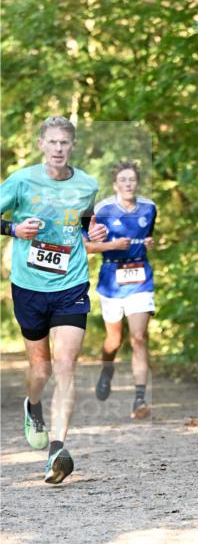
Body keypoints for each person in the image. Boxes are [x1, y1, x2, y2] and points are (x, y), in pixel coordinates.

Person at [0, 116, 107, 484]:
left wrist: (93, 228)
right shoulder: (21, 181)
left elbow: (83, 220)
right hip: (29, 286)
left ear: (72, 146)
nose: (59, 149)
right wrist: (13, 228)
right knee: (41, 370)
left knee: (65, 366)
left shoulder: (87, 184)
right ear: (42, 144)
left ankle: (56, 451)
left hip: (71, 283)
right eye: (53, 142)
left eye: (65, 143)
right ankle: (33, 406)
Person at [85, 161, 157, 419]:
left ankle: (139, 399)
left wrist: (149, 242)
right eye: (123, 180)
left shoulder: (149, 207)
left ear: (137, 183)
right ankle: (107, 369)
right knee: (113, 340)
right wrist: (112, 245)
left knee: (138, 338)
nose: (128, 184)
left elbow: (148, 236)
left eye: (132, 180)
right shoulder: (101, 209)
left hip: (140, 277)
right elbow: (85, 245)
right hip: (111, 279)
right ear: (115, 185)